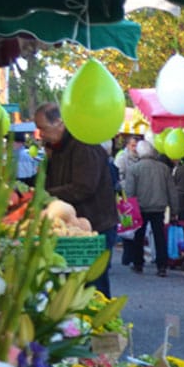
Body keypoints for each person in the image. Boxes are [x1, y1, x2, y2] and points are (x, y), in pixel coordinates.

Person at [33, 103, 121, 297]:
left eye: (43, 128)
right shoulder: (57, 149)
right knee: (73, 286)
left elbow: (83, 187)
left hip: (96, 226)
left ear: (60, 123)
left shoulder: (84, 146)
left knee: (93, 285)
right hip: (73, 225)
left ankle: (100, 325)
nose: (41, 134)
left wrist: (46, 195)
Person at [123, 139, 178, 277]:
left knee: (139, 236)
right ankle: (162, 266)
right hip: (159, 207)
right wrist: (174, 210)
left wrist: (128, 210)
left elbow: (129, 191)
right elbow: (171, 190)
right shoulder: (164, 168)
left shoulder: (134, 169)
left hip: (140, 207)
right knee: (159, 236)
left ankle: (138, 263)